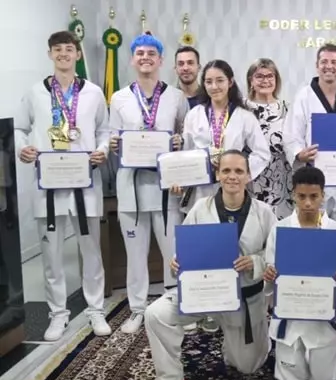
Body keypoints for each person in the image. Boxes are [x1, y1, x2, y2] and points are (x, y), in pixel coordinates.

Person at [144, 150, 276, 380]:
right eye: (226, 170)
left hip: (243, 298)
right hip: (201, 295)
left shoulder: (264, 212)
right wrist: (177, 262)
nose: (232, 176)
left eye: (239, 171)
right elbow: (186, 250)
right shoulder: (199, 209)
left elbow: (276, 256)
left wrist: (255, 261)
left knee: (248, 366)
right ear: (217, 174)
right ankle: (170, 378)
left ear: (248, 175)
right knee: (155, 314)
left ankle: (245, 342)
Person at [14, 30, 111, 341]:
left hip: (84, 184)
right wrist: (23, 148)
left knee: (91, 250)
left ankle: (96, 309)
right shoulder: (35, 93)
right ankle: (58, 314)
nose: (64, 55)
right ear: (50, 54)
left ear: (78, 55)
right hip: (50, 185)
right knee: (52, 255)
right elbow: (19, 127)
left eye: (69, 49)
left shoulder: (94, 92)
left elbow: (105, 129)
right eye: (58, 50)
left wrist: (103, 150)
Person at [107, 33, 188, 334]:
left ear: (160, 60)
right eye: (139, 53)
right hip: (131, 188)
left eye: (151, 54)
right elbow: (111, 136)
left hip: (166, 188)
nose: (145, 58)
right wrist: (114, 142)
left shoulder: (176, 97)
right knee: (135, 255)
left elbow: (184, 134)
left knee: (172, 253)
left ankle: (173, 305)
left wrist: (179, 141)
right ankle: (137, 310)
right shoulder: (119, 98)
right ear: (132, 58)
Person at [264, 166, 336, 380]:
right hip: (290, 314)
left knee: (324, 379)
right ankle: (294, 356)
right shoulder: (280, 229)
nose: (308, 203)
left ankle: (334, 355)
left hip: (322, 315)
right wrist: (269, 275)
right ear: (293, 195)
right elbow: (270, 271)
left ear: (323, 196)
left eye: (314, 196)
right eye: (302, 196)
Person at [283, 43, 336, 317]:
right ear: (317, 65)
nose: (329, 66)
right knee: (317, 232)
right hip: (315, 181)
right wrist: (299, 153)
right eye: (324, 62)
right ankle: (316, 287)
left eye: (334, 62)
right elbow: (291, 135)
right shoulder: (304, 96)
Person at [180, 59, 269, 212]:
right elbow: (185, 154)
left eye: (220, 80)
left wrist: (241, 172)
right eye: (208, 81)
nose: (214, 87)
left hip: (233, 187)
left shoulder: (245, 116)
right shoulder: (194, 115)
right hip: (201, 188)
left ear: (230, 82)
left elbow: (262, 154)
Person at [245, 58, 292, 220]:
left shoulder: (288, 108)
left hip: (283, 180)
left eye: (270, 76)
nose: (265, 80)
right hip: (251, 179)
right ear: (251, 80)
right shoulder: (241, 109)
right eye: (259, 76)